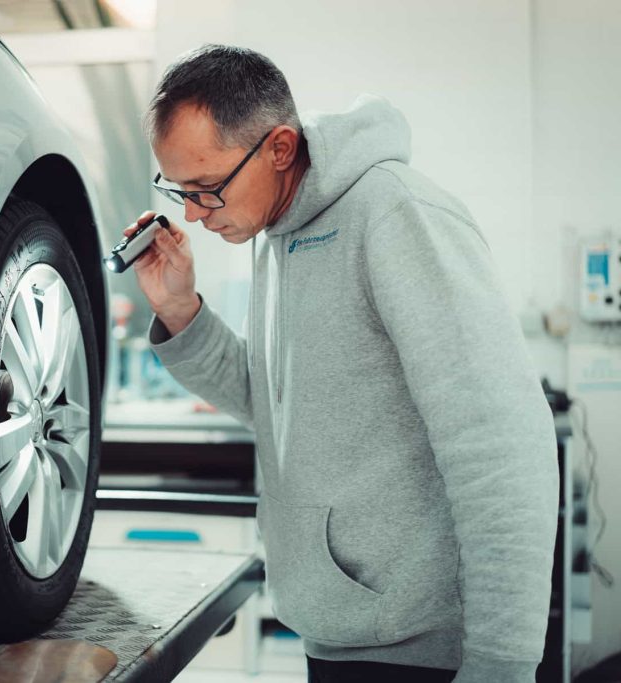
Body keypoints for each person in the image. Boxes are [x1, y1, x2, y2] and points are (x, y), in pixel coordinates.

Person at [123, 45, 558, 683]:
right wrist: (181, 310)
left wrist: (503, 663)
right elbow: (273, 401)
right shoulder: (275, 230)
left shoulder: (394, 214)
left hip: (429, 653)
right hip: (344, 632)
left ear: (278, 148)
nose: (191, 213)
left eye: (206, 189)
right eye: (177, 191)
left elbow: (501, 445)